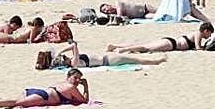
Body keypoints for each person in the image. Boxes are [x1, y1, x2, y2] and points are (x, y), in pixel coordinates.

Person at [0, 68, 89, 109]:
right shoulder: (71, 87)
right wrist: (86, 87)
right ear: (69, 77)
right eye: (76, 78)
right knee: (15, 102)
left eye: (79, 79)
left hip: (38, 91)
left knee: (13, 100)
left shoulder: (62, 83)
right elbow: (83, 101)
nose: (77, 81)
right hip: (43, 96)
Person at [36, 41, 167, 69]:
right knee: (136, 60)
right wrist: (61, 51)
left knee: (128, 50)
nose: (63, 57)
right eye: (62, 58)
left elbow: (73, 46)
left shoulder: (72, 61)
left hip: (105, 56)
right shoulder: (74, 63)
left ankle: (115, 48)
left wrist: (59, 53)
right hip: (108, 61)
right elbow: (74, 45)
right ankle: (156, 62)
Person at [105, 23, 215, 54]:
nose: (209, 36)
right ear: (206, 30)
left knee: (145, 45)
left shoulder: (197, 33)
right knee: (146, 48)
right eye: (209, 34)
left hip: (170, 42)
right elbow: (198, 48)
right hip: (171, 44)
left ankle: (115, 46)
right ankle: (123, 49)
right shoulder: (198, 34)